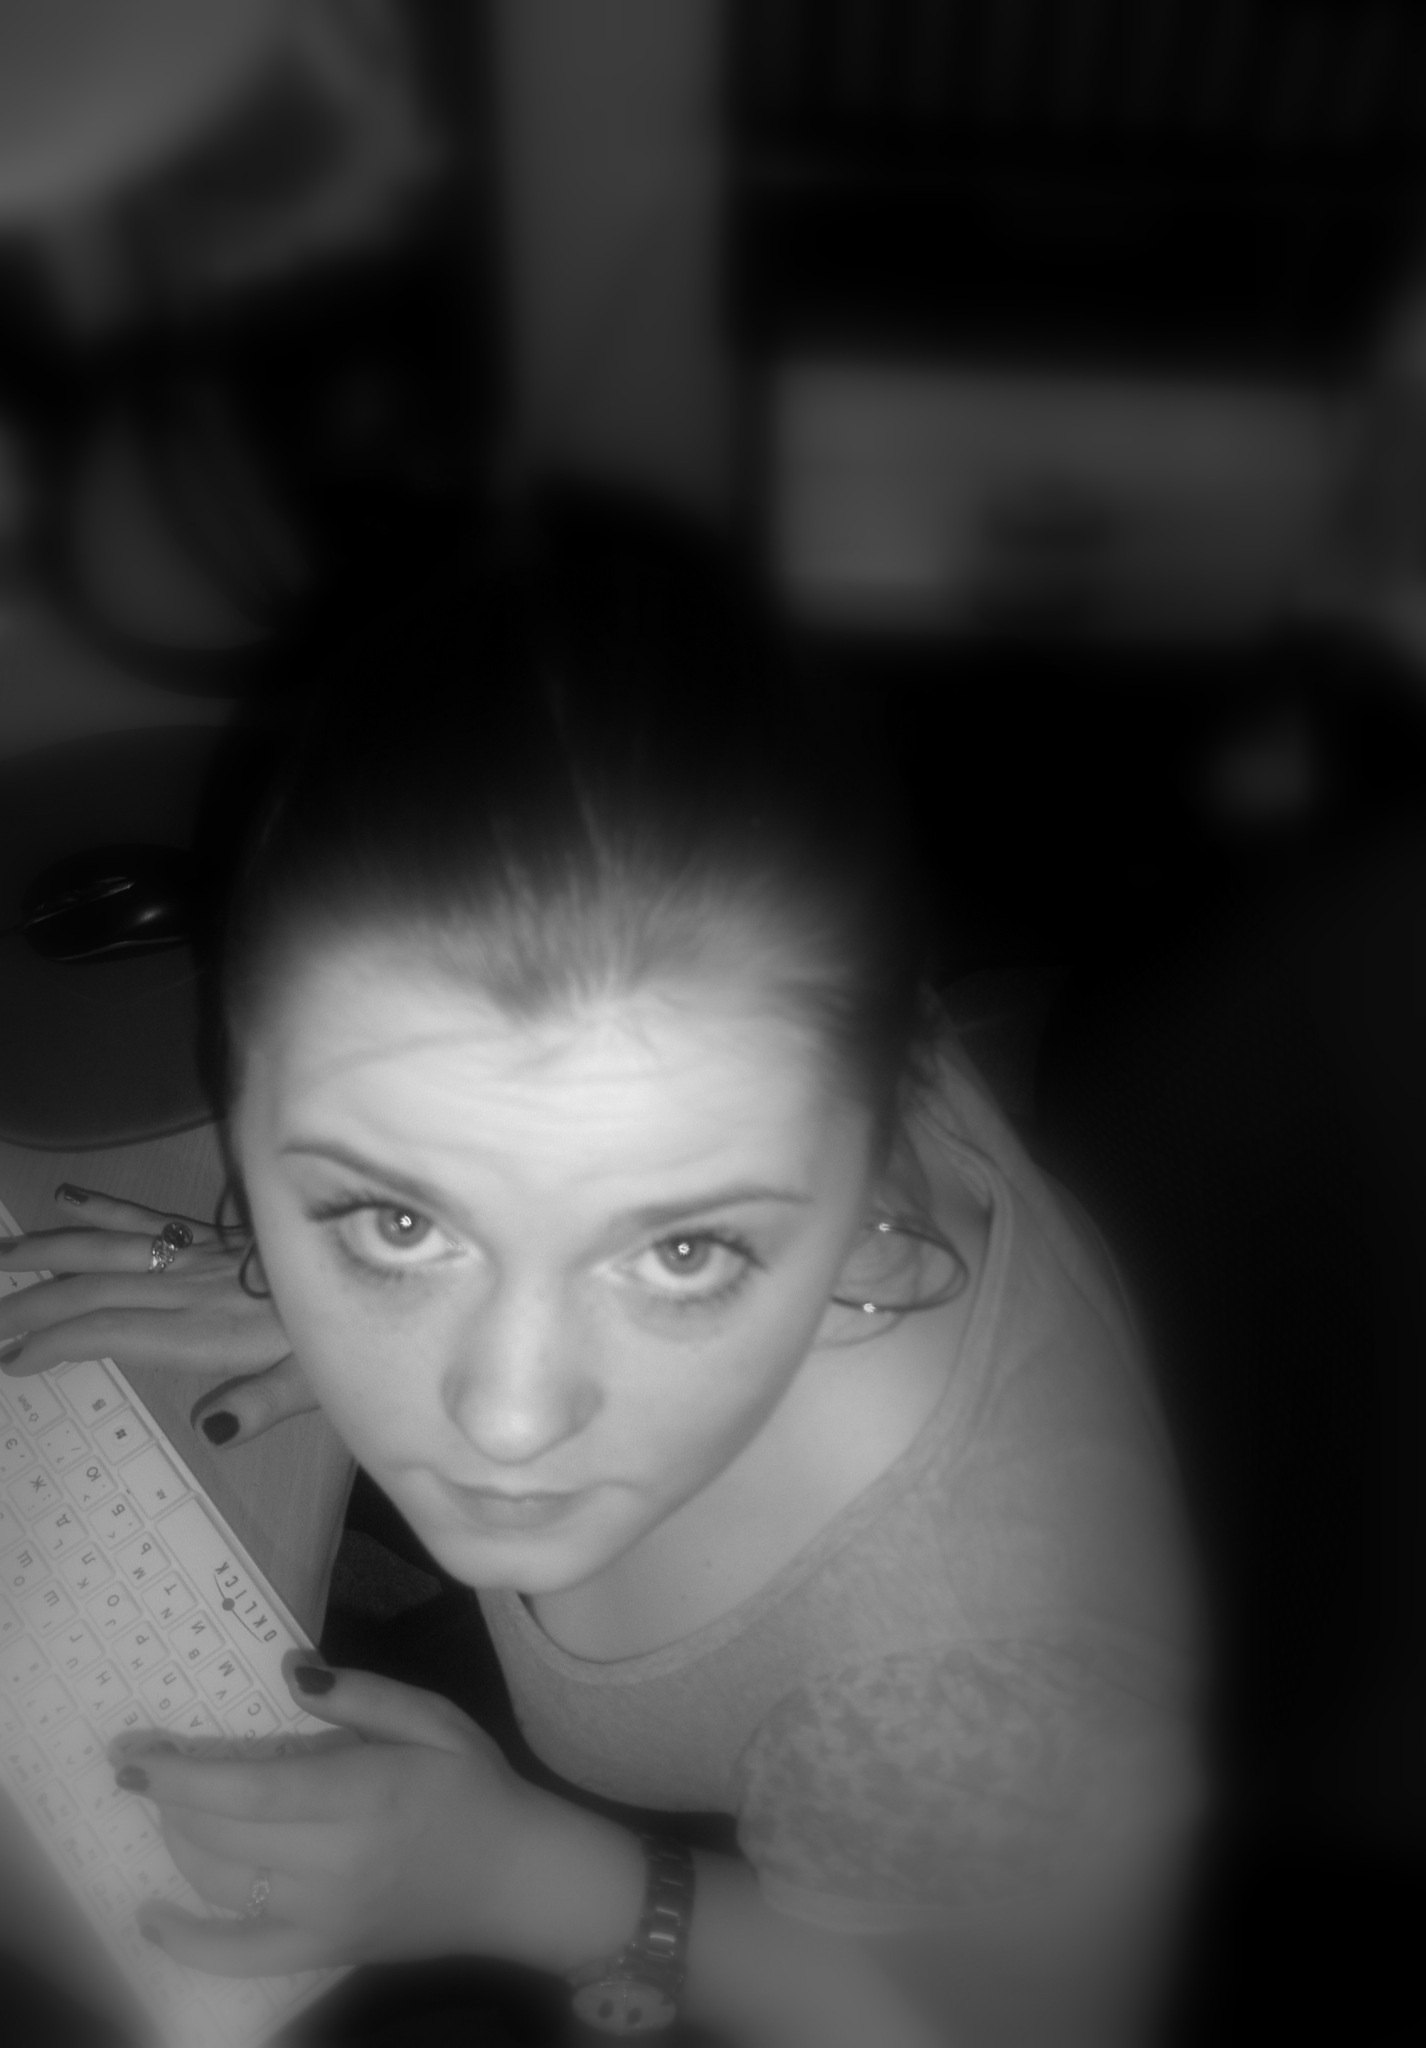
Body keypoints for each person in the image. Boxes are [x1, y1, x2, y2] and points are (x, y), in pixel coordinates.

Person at [0, 505, 1206, 2048]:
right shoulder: (735, 1034)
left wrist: (541, 1884)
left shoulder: (951, 1674)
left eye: (683, 1251)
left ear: (861, 1181)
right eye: (393, 1216)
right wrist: (291, 1276)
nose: (502, 1421)